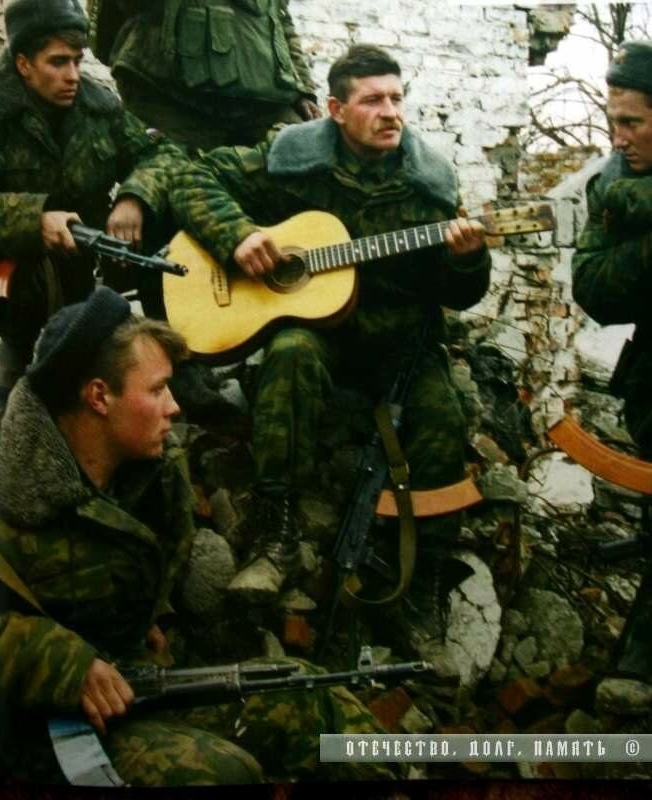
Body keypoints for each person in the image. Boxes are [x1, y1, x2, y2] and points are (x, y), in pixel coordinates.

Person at [0, 286, 397, 786]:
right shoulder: (0, 497)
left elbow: (162, 561)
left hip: (141, 685)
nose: (175, 406)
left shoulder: (155, 471)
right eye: (156, 390)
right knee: (224, 774)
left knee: (307, 696)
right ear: (98, 397)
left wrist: (157, 615)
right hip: (47, 729)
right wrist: (64, 662)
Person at [170, 44, 491, 643]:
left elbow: (461, 296)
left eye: (397, 98)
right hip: (320, 331)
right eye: (373, 100)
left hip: (400, 341)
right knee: (288, 355)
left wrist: (467, 262)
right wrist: (239, 236)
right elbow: (194, 175)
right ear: (336, 110)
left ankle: (419, 582)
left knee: (442, 417)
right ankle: (277, 536)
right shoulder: (294, 158)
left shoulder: (431, 187)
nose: (391, 112)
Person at [0, 0, 181, 416]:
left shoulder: (99, 107)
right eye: (57, 62)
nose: (72, 75)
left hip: (88, 263)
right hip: (16, 275)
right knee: (21, 395)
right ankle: (18, 366)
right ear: (23, 64)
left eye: (77, 60)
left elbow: (162, 155)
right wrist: (35, 221)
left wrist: (133, 197)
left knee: (165, 218)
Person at [572, 39, 652, 681]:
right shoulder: (617, 177)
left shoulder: (625, 185)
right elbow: (591, 287)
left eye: (632, 122)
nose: (617, 138)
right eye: (612, 120)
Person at [88, 0, 321, 154]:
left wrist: (302, 88)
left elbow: (280, 20)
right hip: (170, 96)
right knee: (174, 191)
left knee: (302, 164)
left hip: (262, 101)